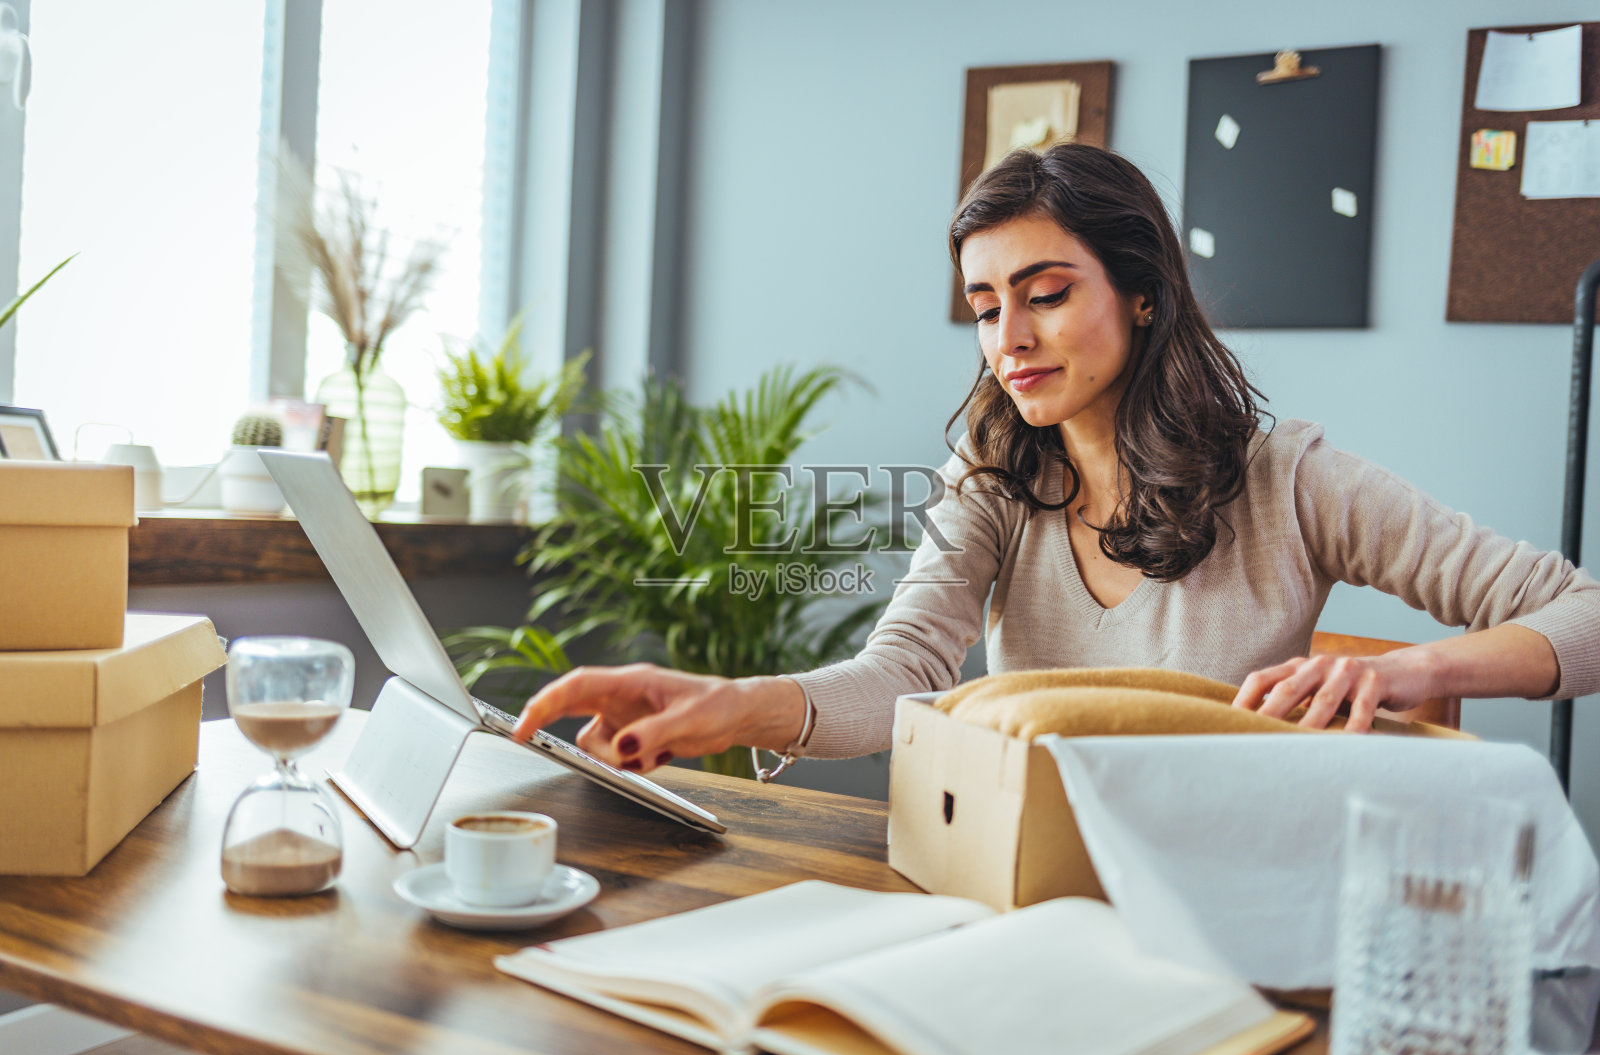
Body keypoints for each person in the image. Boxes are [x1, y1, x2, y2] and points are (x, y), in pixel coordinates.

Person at [514, 142, 1600, 774]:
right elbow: (905, 674)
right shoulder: (989, 478)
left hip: (1220, 895)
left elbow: (1583, 613)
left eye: (1044, 295)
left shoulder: (1290, 480)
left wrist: (1409, 668)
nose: (1009, 341)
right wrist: (734, 699)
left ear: (1140, 291)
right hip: (1019, 876)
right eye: (986, 309)